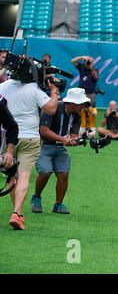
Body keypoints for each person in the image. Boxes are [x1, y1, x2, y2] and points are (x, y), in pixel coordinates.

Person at [0, 77, 58, 230]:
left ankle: (18, 213)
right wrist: (54, 92)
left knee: (12, 176)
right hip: (30, 136)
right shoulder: (33, 88)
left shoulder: (3, 86)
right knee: (24, 175)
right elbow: (51, 108)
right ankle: (16, 213)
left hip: (8, 138)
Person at [30, 88, 89, 215]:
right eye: (82, 104)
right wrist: (63, 139)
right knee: (45, 172)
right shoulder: (53, 108)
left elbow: (73, 136)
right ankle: (36, 198)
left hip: (60, 148)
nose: (83, 106)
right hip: (44, 145)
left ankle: (58, 204)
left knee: (63, 173)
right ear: (73, 103)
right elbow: (44, 131)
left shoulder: (77, 116)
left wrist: (78, 140)